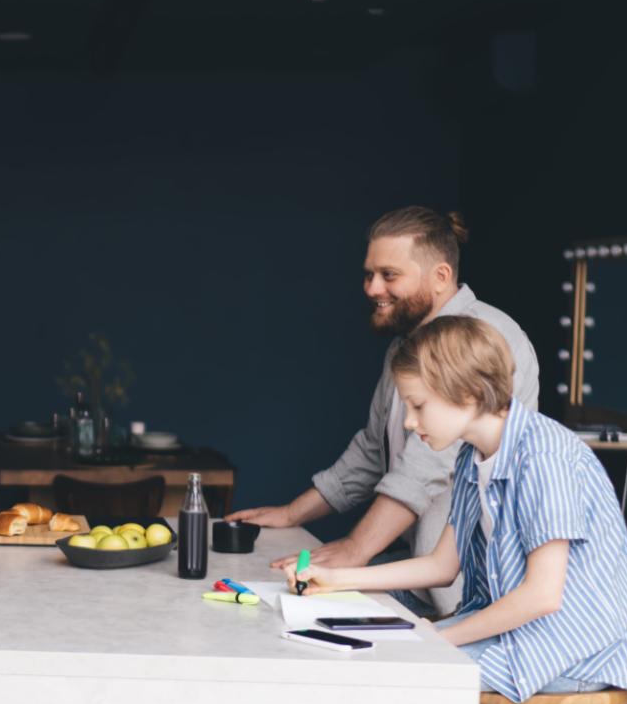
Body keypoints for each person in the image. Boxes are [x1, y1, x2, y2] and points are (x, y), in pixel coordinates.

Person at [287, 316, 627, 702]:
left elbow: (542, 596)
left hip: (569, 651)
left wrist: (438, 637)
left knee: (393, 668)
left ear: (467, 394)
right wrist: (336, 578)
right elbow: (442, 567)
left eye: (418, 406)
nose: (411, 423)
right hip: (515, 635)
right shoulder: (469, 457)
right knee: (366, 652)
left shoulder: (545, 456)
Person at [228, 207, 539, 616]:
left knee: (298, 607)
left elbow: (423, 467)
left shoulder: (479, 338)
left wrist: (356, 550)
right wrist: (291, 513)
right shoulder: (407, 345)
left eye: (389, 275)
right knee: (285, 595)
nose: (373, 288)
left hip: (464, 594)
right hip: (423, 571)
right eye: (369, 274)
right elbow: (373, 450)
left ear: (441, 277)